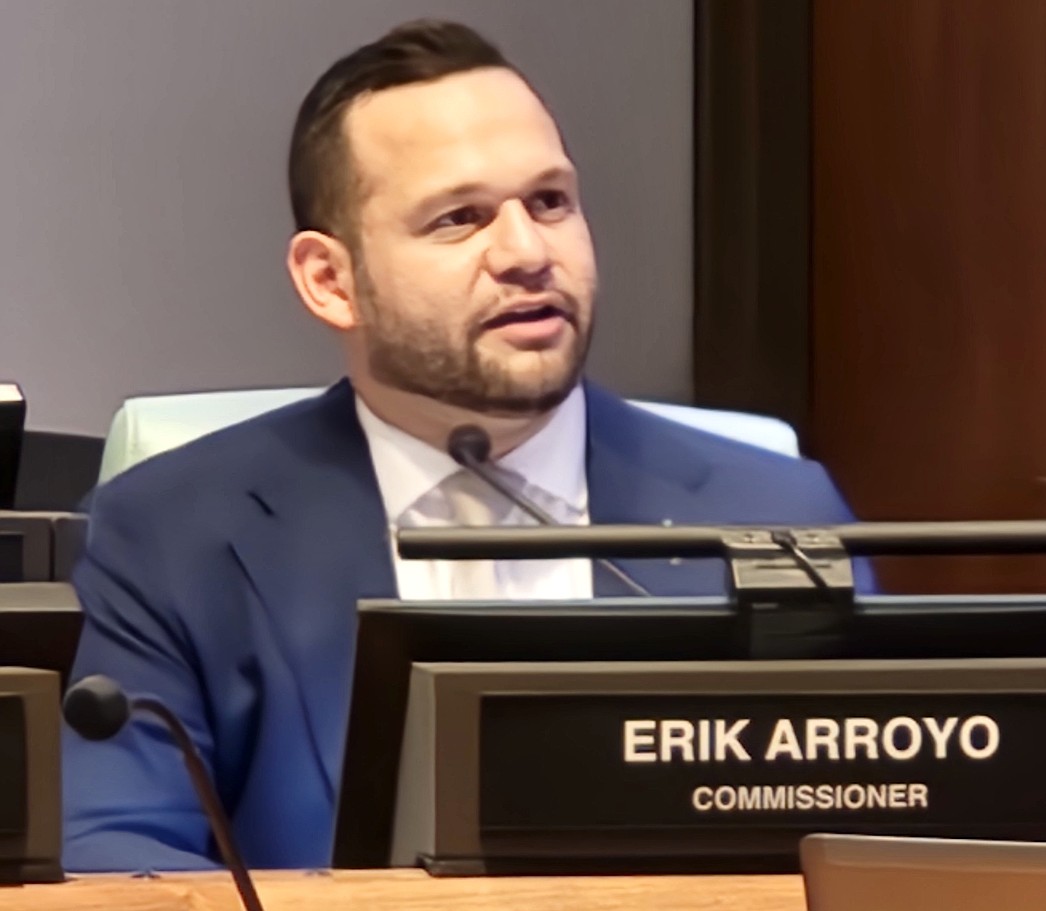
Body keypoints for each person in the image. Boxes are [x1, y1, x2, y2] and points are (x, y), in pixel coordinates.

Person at [62, 19, 870, 872]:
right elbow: (116, 855)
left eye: (551, 201)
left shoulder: (776, 515)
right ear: (331, 281)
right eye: (460, 217)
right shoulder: (168, 536)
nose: (527, 253)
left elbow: (872, 837)